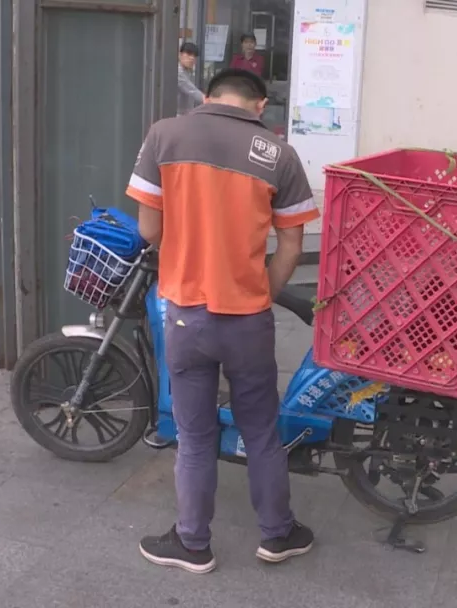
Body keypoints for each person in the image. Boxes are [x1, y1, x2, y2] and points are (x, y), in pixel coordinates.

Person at [126, 67, 320, 574]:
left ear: (208, 97)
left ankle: (193, 544)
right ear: (260, 105)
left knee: (194, 436)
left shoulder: (164, 135)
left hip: (185, 316)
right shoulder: (279, 154)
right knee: (261, 432)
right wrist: (262, 292)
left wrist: (184, 257)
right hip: (247, 320)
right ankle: (278, 535)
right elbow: (292, 245)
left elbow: (149, 228)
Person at [177, 42, 205, 116]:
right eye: (189, 54)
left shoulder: (189, 72)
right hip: (177, 115)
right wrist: (209, 100)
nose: (192, 58)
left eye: (194, 56)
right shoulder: (178, 72)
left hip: (185, 114)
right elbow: (192, 90)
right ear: (180, 55)